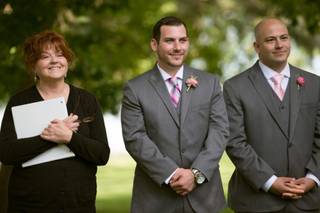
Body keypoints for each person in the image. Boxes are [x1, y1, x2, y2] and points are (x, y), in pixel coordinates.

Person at [121, 16, 229, 213]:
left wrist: (196, 174)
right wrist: (171, 174)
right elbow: (135, 138)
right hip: (156, 198)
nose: (178, 47)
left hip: (205, 198)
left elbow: (219, 132)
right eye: (169, 40)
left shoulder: (210, 83)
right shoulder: (135, 88)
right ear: (154, 44)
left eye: (183, 40)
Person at [0, 30, 110, 212]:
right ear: (33, 66)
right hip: (29, 206)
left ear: (67, 62)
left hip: (79, 204)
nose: (54, 61)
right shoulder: (19, 102)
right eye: (45, 57)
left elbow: (101, 154)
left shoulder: (87, 100)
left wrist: (69, 137)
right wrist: (49, 138)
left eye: (60, 55)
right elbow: (6, 153)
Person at [223, 18, 320, 213]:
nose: (279, 45)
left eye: (283, 38)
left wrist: (312, 179)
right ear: (256, 46)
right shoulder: (235, 87)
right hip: (256, 201)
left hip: (308, 201)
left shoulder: (314, 84)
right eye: (270, 40)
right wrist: (269, 181)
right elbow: (235, 142)